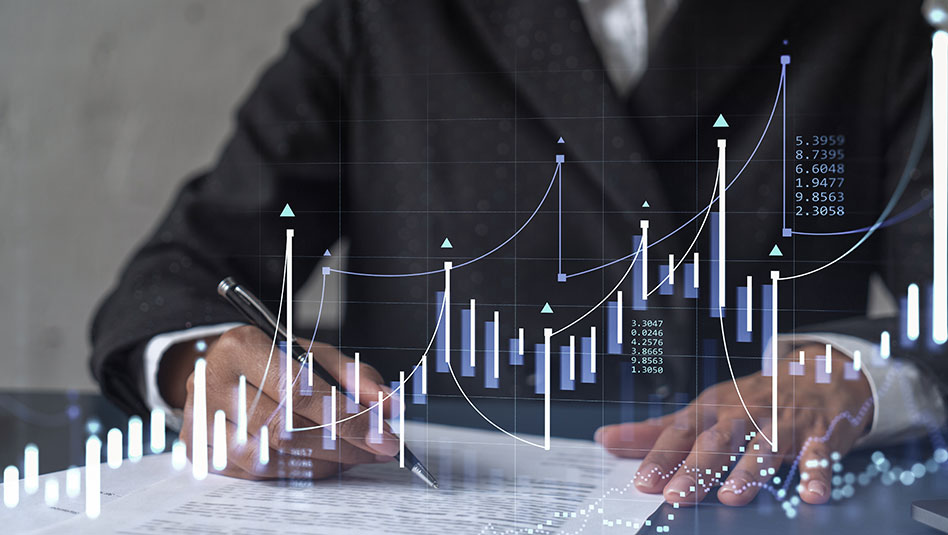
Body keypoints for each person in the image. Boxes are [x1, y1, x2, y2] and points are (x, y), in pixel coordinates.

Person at [90, 0, 947, 507]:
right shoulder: (385, 17)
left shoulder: (873, 21)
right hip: (436, 505)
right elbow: (180, 274)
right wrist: (202, 364)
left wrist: (868, 377)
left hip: (759, 506)